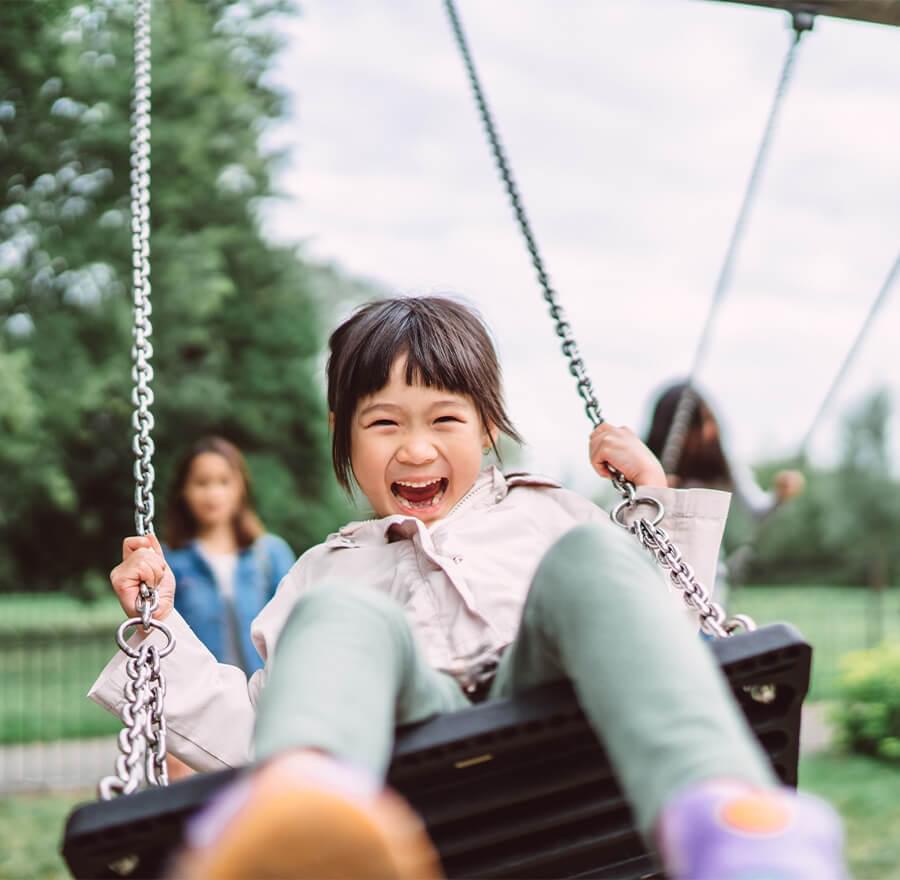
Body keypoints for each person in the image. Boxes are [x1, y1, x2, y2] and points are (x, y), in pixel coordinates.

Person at [90, 297, 844, 880]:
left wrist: (657, 508)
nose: (415, 448)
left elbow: (656, 644)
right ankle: (306, 809)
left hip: (551, 713)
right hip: (406, 748)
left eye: (444, 418)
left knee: (594, 557)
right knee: (340, 614)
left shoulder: (550, 511)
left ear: (485, 427)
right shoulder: (323, 570)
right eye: (382, 422)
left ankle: (726, 819)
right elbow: (252, 727)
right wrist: (161, 633)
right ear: (344, 434)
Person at [646, 382, 805, 596]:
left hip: (705, 582)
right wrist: (652, 490)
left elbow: (758, 511)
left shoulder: (724, 467)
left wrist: (779, 495)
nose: (708, 432)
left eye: (709, 421)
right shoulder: (648, 466)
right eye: (698, 425)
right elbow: (622, 516)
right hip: (655, 576)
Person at [164, 436, 296, 675]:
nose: (213, 493)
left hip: (262, 699)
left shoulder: (270, 555)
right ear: (184, 490)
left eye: (224, 482)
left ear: (240, 487)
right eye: (202, 483)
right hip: (198, 698)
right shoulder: (169, 561)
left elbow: (294, 630)